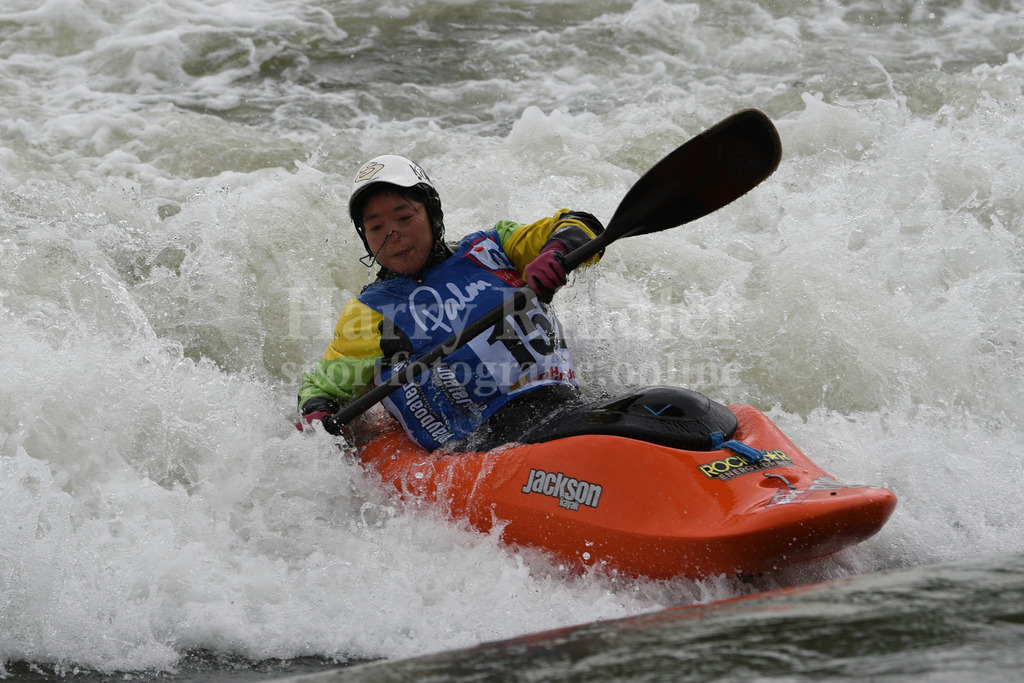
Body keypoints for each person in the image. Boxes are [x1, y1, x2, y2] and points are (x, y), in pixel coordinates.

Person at [297, 155, 604, 451]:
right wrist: (318, 412)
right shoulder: (369, 312)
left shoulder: (495, 247)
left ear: (432, 214)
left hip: (566, 407)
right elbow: (324, 390)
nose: (393, 235)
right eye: (376, 228)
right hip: (483, 446)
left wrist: (557, 250)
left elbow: (582, 224)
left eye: (404, 218)